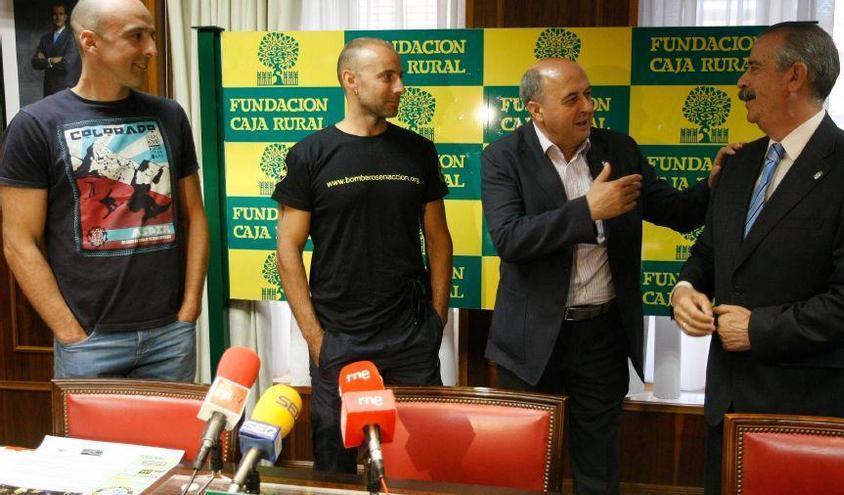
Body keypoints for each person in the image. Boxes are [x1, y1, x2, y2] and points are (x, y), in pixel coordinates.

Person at [481, 58, 727, 495]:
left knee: (598, 467)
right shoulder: (503, 157)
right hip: (530, 340)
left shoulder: (618, 149)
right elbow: (510, 239)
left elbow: (675, 211)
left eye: (589, 95)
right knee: (525, 465)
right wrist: (587, 210)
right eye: (572, 99)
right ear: (536, 110)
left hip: (601, 337)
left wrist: (712, 184)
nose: (588, 107)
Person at [671, 22, 844, 495]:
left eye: (752, 68)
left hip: (808, 414)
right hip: (726, 409)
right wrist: (686, 289)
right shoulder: (738, 164)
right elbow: (709, 252)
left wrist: (758, 329)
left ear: (795, 77)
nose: (740, 82)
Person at [0, 0, 208, 381]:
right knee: (92, 445)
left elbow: (195, 216)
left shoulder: (170, 115)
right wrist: (69, 332)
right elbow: (18, 241)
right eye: (136, 37)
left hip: (170, 336)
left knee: (172, 443)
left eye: (152, 35)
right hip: (89, 343)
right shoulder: (35, 125)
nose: (151, 49)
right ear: (90, 42)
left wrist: (189, 311)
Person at [273, 37, 453, 473]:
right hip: (340, 336)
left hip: (411, 335)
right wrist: (317, 338)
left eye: (401, 75)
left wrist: (436, 318)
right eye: (388, 76)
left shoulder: (418, 151)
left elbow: (439, 239)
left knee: (422, 460)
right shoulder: (311, 154)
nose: (400, 87)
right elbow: (287, 249)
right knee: (334, 462)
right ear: (350, 80)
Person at [31, 3, 81, 97]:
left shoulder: (73, 37)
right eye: (55, 14)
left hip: (66, 89)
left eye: (61, 14)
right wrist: (52, 60)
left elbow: (67, 64)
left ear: (65, 17)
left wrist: (45, 60)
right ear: (51, 16)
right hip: (49, 89)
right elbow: (35, 62)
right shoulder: (45, 39)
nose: (58, 17)